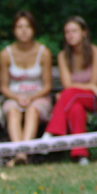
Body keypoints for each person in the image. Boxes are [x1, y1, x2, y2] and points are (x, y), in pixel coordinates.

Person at [0, 11, 52, 167]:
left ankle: (22, 154)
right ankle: (20, 154)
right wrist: (17, 98)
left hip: (38, 97)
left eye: (27, 26)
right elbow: (3, 86)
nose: (23, 30)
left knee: (32, 111)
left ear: (33, 29)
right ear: (14, 30)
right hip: (14, 97)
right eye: (19, 26)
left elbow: (47, 85)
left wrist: (32, 97)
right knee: (13, 111)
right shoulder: (5, 54)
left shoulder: (44, 52)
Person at [42, 16, 97, 166]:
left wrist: (78, 88)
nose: (70, 35)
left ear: (84, 32)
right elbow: (67, 84)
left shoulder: (94, 51)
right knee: (75, 109)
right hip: (75, 98)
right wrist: (85, 87)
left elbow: (94, 83)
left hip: (93, 99)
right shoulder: (63, 56)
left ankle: (51, 132)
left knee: (67, 94)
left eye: (74, 31)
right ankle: (81, 155)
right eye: (67, 32)